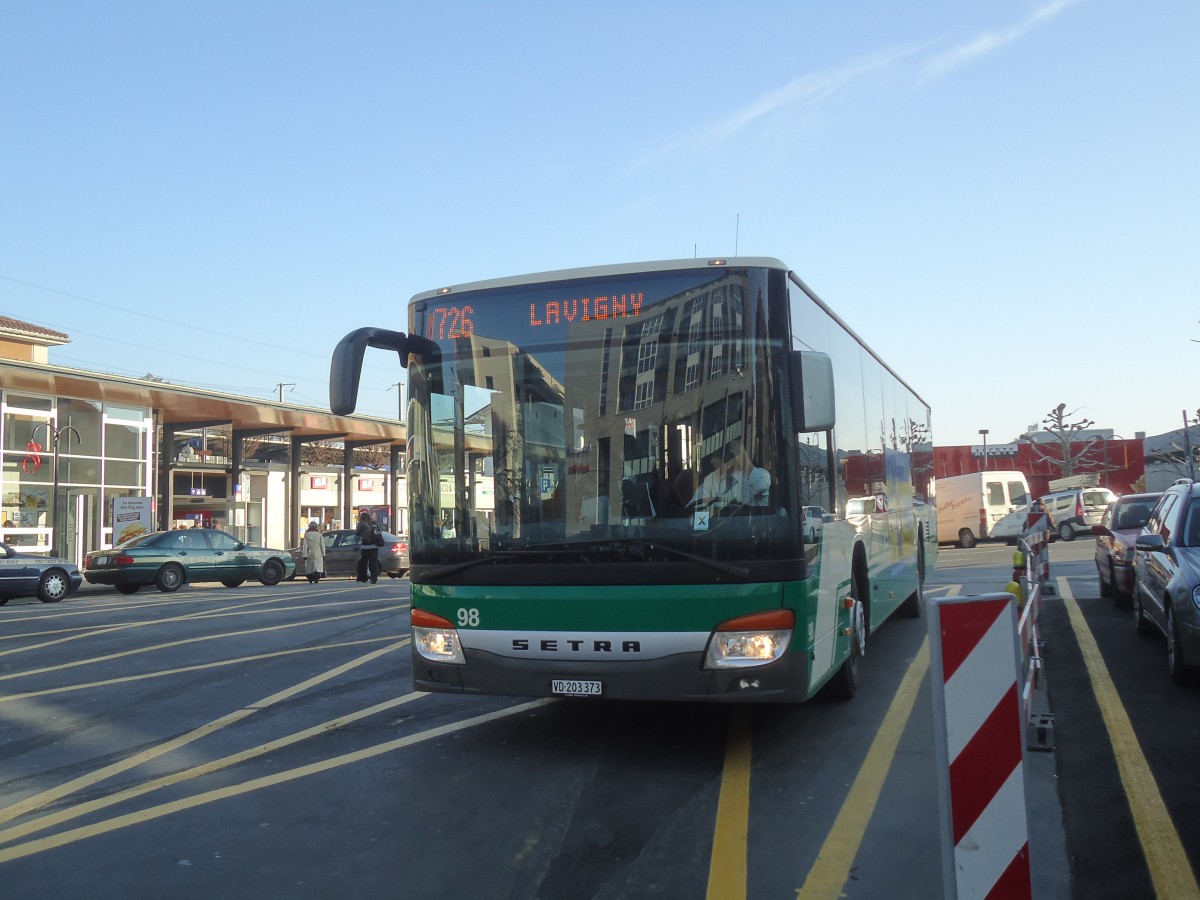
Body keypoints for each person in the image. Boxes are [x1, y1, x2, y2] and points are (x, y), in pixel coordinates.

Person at [689, 439, 771, 509]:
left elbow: (761, 485)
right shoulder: (711, 481)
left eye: (716, 456)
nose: (711, 461)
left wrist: (744, 459)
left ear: (729, 457)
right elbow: (692, 508)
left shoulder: (759, 476)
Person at [355, 510, 382, 583]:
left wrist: (358, 540)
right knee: (373, 563)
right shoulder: (374, 523)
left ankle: (363, 577)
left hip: (365, 546)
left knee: (363, 562)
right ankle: (374, 578)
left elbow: (357, 534)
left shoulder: (362, 524)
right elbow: (380, 532)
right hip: (374, 546)